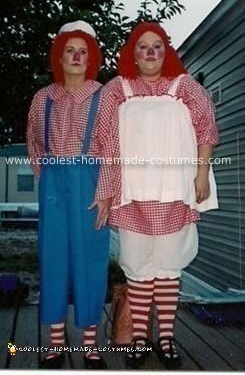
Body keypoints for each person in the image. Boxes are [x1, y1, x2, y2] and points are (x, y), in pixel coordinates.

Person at [95, 22, 219, 369]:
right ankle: (138, 338)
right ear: (132, 53)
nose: (150, 52)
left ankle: (165, 337)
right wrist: (105, 191)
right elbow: (103, 141)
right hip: (131, 193)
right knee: (138, 270)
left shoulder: (185, 87)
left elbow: (206, 128)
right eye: (143, 46)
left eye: (158, 46)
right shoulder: (116, 90)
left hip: (174, 191)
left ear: (167, 52)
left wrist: (201, 172)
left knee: (168, 269)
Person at [27, 20, 111, 370]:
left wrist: (105, 192)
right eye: (69, 52)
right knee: (53, 257)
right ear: (59, 59)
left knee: (90, 259)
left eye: (83, 52)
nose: (76, 57)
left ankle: (91, 345)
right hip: (54, 181)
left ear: (91, 58)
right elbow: (33, 142)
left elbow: (112, 147)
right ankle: (55, 343)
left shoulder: (103, 96)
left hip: (89, 181)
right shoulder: (42, 98)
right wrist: (46, 175)